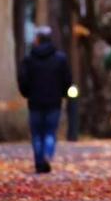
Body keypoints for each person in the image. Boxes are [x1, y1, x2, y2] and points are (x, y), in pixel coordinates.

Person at [18, 25, 72, 174]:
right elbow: (67, 80)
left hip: (34, 102)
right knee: (50, 132)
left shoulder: (29, 59)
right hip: (54, 102)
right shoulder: (60, 59)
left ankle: (39, 162)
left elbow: (23, 80)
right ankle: (48, 154)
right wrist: (64, 93)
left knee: (36, 134)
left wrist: (26, 93)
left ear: (37, 40)